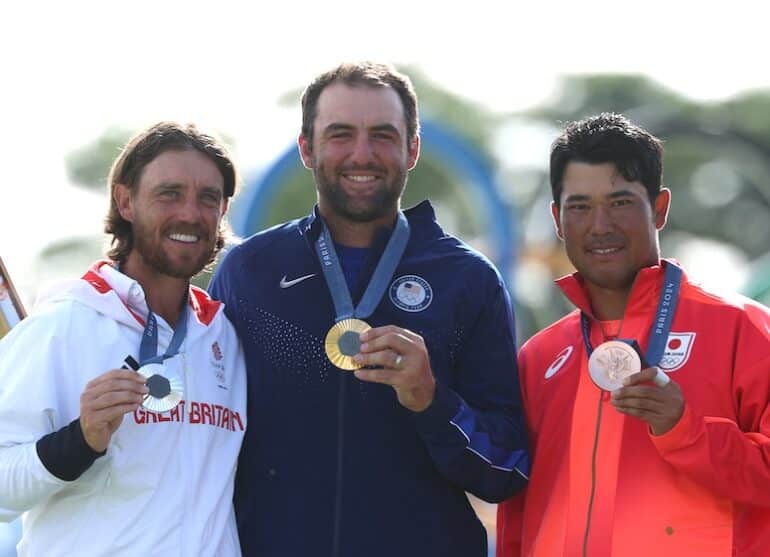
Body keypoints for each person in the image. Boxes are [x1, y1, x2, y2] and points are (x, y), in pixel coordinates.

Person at [209, 62, 529, 557]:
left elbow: (507, 469)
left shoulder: (467, 280)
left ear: (412, 149)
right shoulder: (249, 272)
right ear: (307, 148)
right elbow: (205, 439)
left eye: (383, 135)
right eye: (341, 134)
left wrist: (431, 399)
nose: (362, 154)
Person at [496, 113, 770, 556]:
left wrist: (687, 430)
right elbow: (518, 514)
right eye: (580, 206)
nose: (600, 225)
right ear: (558, 220)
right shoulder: (539, 356)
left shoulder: (745, 330)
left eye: (620, 202)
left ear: (659, 209)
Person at [0, 122, 247, 556]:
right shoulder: (62, 326)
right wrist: (80, 440)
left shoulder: (225, 336)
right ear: (125, 200)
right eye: (169, 193)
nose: (190, 213)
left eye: (208, 198)